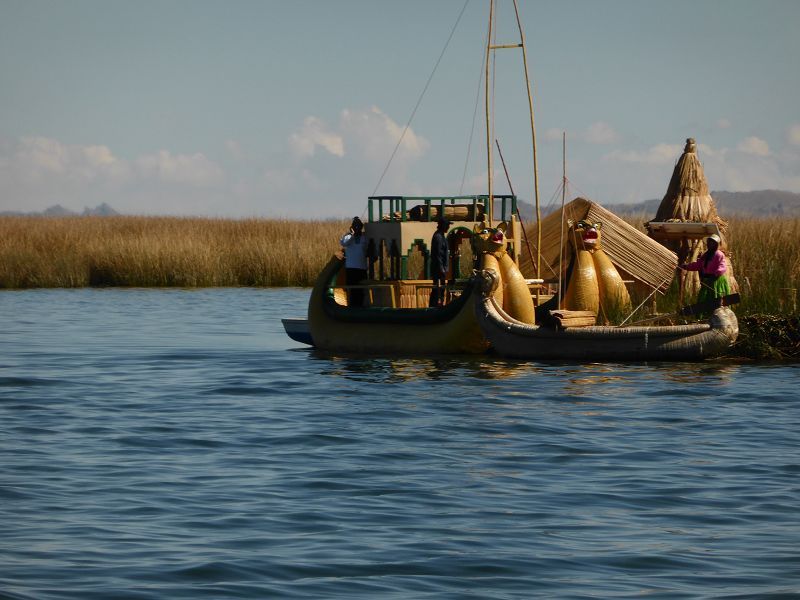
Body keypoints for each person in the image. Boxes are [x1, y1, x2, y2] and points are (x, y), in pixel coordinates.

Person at [679, 233, 731, 309]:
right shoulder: (705, 255)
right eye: (709, 242)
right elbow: (698, 265)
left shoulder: (719, 255)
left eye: (712, 242)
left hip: (716, 280)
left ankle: (717, 313)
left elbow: (722, 267)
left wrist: (716, 273)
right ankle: (704, 316)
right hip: (707, 281)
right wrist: (686, 266)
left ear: (716, 244)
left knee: (716, 298)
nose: (710, 244)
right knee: (703, 298)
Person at [340, 216, 368, 307]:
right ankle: (352, 307)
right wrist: (353, 235)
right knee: (352, 289)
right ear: (352, 227)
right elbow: (344, 243)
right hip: (351, 268)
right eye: (355, 226)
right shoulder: (348, 237)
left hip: (362, 268)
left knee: (361, 290)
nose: (357, 228)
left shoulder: (364, 237)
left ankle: (360, 307)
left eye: (359, 226)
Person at [429, 217, 451, 307]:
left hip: (441, 269)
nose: (448, 227)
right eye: (447, 225)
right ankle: (434, 306)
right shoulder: (438, 237)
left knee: (440, 289)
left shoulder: (441, 236)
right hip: (438, 269)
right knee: (437, 289)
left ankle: (438, 304)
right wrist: (441, 269)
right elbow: (438, 254)